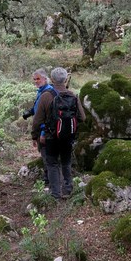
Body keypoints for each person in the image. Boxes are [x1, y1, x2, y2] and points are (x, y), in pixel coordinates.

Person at [31, 67, 85, 199]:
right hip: (67, 137)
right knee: (66, 162)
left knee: (52, 163)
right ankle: (67, 190)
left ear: (52, 79)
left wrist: (34, 135)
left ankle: (55, 193)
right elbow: (82, 118)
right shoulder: (73, 96)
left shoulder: (46, 96)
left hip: (51, 137)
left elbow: (37, 120)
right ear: (66, 79)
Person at [24, 68, 53, 185]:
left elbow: (48, 116)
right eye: (34, 79)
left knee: (47, 156)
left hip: (45, 131)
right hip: (41, 129)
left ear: (45, 79)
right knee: (45, 154)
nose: (36, 81)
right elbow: (39, 108)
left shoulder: (48, 92)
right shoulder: (41, 91)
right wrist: (30, 112)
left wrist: (42, 133)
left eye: (38, 79)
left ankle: (49, 182)